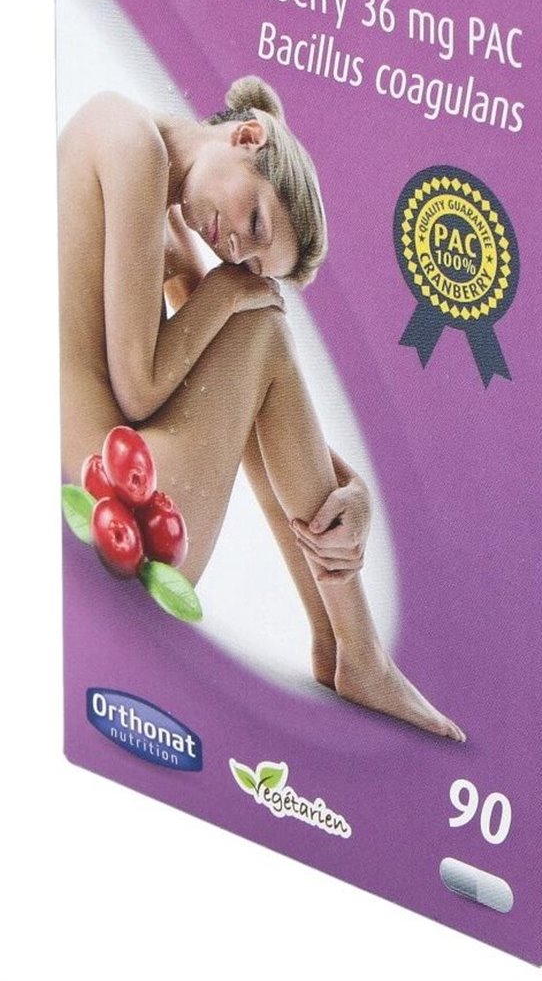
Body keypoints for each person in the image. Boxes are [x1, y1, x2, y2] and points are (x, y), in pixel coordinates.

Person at [59, 75, 463, 742]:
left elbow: (242, 401)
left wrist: (354, 489)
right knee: (262, 332)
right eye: (254, 225)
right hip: (108, 509)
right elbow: (139, 387)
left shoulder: (160, 199)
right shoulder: (134, 143)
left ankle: (337, 647)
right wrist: (229, 292)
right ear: (248, 136)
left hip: (124, 495)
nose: (233, 251)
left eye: (248, 258)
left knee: (254, 335)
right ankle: (359, 655)